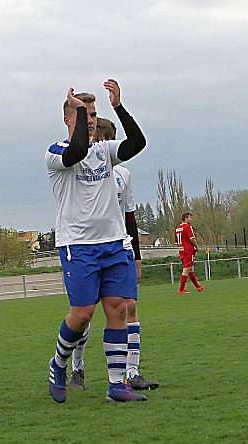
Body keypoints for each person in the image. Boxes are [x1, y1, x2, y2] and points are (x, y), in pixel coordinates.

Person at [45, 80, 148, 403]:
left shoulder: (105, 151)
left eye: (92, 114)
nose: (90, 120)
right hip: (78, 245)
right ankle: (58, 363)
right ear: (68, 119)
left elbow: (138, 143)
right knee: (82, 314)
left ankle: (117, 384)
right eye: (83, 114)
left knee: (117, 309)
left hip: (114, 243)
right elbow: (76, 152)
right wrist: (77, 112)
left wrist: (118, 107)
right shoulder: (55, 153)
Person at [69, 118, 159, 392]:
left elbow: (130, 217)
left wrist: (138, 257)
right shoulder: (79, 168)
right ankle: (77, 368)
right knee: (84, 314)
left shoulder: (124, 175)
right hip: (87, 248)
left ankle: (131, 372)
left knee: (129, 307)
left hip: (120, 249)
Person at [175, 212, 204, 294]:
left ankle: (198, 287)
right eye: (190, 217)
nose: (191, 219)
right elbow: (191, 238)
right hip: (188, 250)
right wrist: (196, 246)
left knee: (190, 269)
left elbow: (176, 240)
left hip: (181, 250)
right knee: (186, 270)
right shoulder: (188, 226)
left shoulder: (178, 228)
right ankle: (181, 289)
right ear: (186, 218)